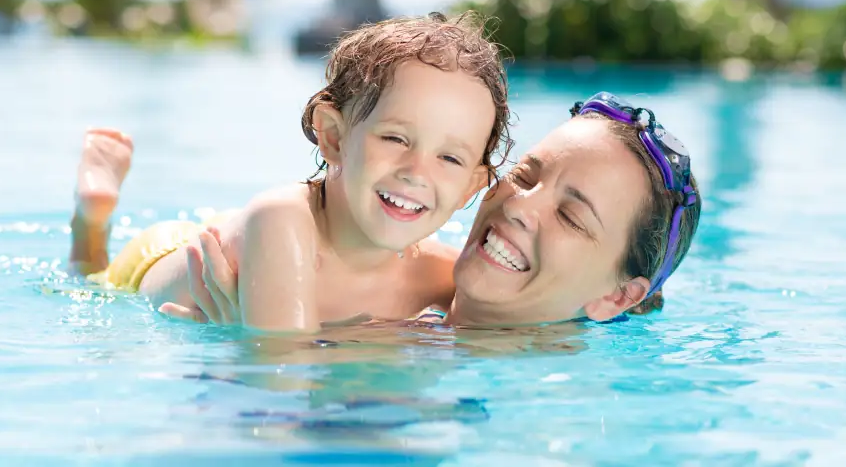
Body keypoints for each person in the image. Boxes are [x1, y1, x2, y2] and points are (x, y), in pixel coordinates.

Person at [71, 12, 513, 333]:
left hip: (242, 242)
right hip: (160, 256)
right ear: (334, 137)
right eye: (396, 139)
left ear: (470, 187)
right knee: (88, 279)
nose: (417, 172)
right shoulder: (281, 224)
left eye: (450, 159)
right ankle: (90, 225)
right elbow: (284, 395)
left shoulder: (444, 279)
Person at [165, 91, 703, 329]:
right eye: (526, 175)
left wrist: (254, 347)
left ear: (616, 296)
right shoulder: (411, 279)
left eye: (570, 216)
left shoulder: (544, 390)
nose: (518, 206)